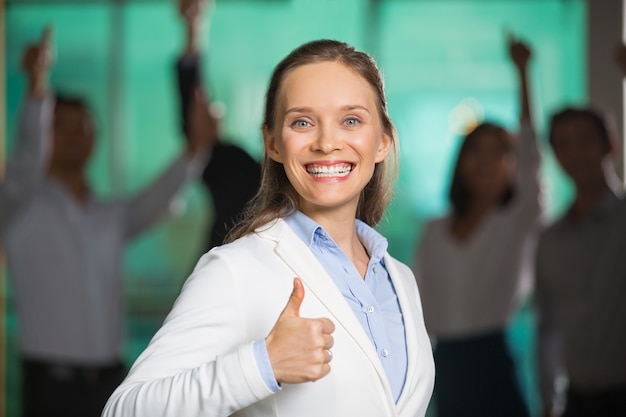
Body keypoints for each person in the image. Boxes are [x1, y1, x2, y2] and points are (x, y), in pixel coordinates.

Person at [102, 39, 435, 417]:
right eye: (303, 122)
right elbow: (124, 410)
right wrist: (262, 364)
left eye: (351, 120)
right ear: (273, 144)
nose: (327, 142)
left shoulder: (400, 281)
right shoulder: (235, 270)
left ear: (383, 142)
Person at [0, 29, 214, 417]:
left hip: (111, 384)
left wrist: (196, 149)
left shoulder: (107, 215)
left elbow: (159, 198)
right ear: (45, 133)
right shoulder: (19, 206)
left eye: (84, 125)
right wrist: (37, 87)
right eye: (61, 125)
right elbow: (26, 161)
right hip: (51, 388)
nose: (75, 134)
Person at [413, 35, 540, 417]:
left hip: (493, 355)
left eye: (497, 152)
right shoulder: (435, 228)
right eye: (475, 150)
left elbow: (532, 158)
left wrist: (522, 74)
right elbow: (417, 303)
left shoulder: (515, 220)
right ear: (460, 161)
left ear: (511, 163)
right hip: (443, 360)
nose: (485, 162)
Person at [534, 106, 626, 417]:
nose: (576, 153)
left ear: (609, 144)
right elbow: (549, 327)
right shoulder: (550, 239)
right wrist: (549, 398)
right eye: (563, 145)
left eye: (585, 141)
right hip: (575, 401)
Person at [176, 0, 261, 250]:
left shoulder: (306, 182)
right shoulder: (236, 168)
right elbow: (195, 117)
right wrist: (194, 29)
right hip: (219, 274)